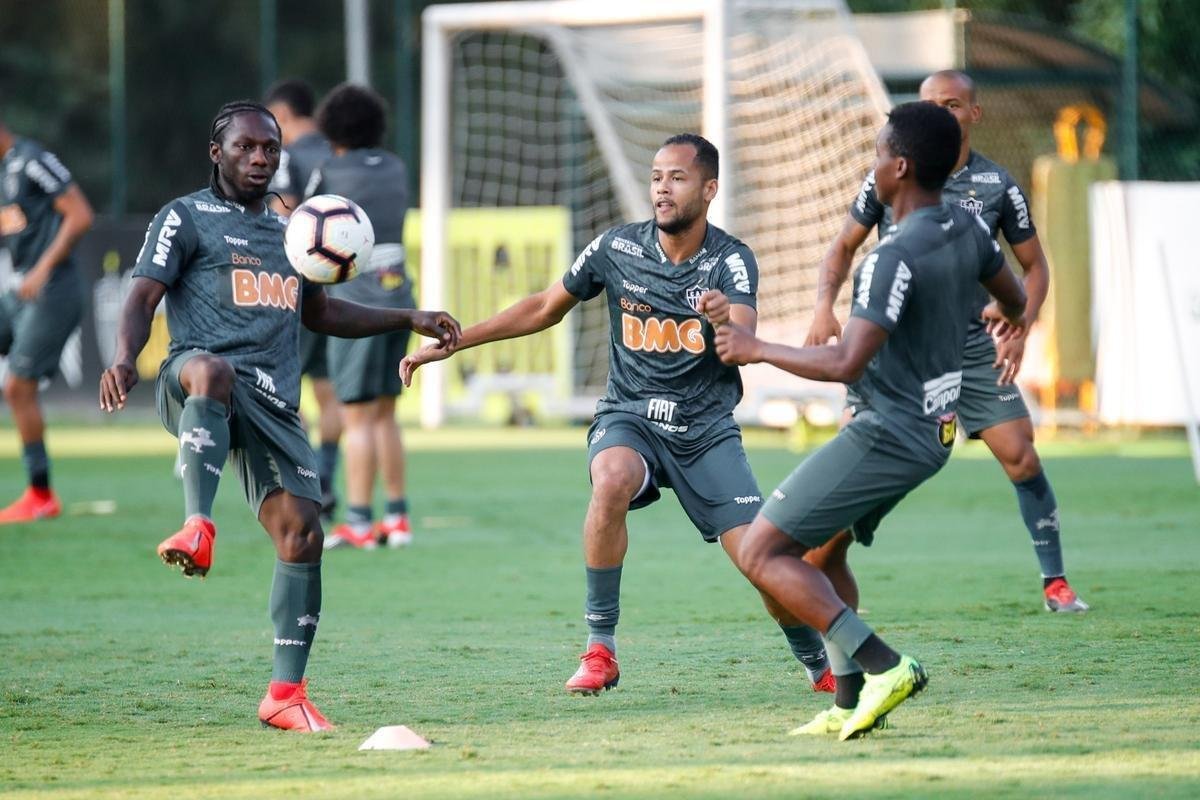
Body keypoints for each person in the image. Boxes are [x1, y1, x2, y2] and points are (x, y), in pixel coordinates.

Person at [402, 133, 835, 696]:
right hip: (629, 417)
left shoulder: (731, 259)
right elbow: (542, 307)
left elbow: (745, 337)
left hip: (705, 432)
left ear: (709, 189)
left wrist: (725, 318)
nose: (662, 188)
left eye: (677, 178)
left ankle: (817, 665)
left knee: (762, 561)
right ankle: (600, 649)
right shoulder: (616, 247)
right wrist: (458, 341)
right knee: (611, 479)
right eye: (657, 176)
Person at [98, 101, 460, 731]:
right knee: (214, 370)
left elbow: (321, 315)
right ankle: (196, 526)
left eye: (269, 147)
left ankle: (285, 694)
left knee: (304, 534)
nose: (260, 157)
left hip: (272, 400)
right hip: (194, 379)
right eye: (245, 147)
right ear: (218, 152)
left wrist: (408, 316)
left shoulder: (294, 229)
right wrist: (126, 358)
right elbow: (141, 296)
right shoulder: (184, 217)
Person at [709, 101, 1028, 740]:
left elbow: (845, 360)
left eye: (880, 153)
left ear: (900, 167)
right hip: (933, 430)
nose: (873, 164)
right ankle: (848, 703)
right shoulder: (966, 228)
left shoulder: (892, 256)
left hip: (889, 430)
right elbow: (1014, 298)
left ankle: (884, 666)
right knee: (823, 550)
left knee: (763, 550)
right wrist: (990, 324)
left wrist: (757, 347)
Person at [808, 70, 1087, 614]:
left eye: (954, 103)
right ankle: (823, 578)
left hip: (972, 345)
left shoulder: (998, 187)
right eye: (931, 102)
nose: (941, 111)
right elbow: (843, 247)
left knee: (1022, 458)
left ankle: (1055, 582)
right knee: (852, 474)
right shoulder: (886, 178)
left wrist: (1020, 325)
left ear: (974, 114)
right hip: (899, 349)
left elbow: (1032, 267)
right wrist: (824, 305)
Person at [306, 83, 419, 551]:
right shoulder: (395, 167)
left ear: (332, 127)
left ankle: (356, 522)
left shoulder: (330, 169)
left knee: (357, 416)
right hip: (401, 293)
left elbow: (304, 220)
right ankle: (397, 519)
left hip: (358, 298)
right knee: (386, 414)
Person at [0, 110, 94, 523]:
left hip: (53, 289)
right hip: (20, 291)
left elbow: (80, 214)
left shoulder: (32, 159)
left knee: (18, 388)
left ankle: (40, 493)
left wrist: (42, 268)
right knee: (17, 389)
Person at [264, 79, 341, 522]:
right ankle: (327, 479)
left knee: (287, 393)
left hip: (299, 285)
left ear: (285, 116)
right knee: (330, 394)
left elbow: (284, 213)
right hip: (342, 286)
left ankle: (305, 479)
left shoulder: (288, 156)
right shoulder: (338, 153)